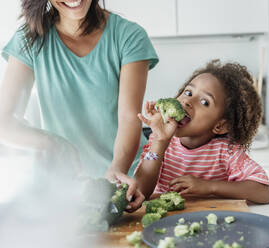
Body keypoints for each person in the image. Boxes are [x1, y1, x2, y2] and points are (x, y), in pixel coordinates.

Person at [0, 0, 159, 211]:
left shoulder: (129, 35)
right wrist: (56, 144)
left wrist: (115, 172)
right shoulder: (29, 38)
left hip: (125, 180)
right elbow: (4, 121)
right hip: (67, 188)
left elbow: (129, 117)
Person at [135, 60, 269, 204]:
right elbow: (140, 191)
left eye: (204, 102)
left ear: (220, 126)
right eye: (188, 92)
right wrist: (159, 142)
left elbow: (264, 192)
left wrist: (209, 186)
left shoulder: (226, 152)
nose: (188, 101)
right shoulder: (160, 142)